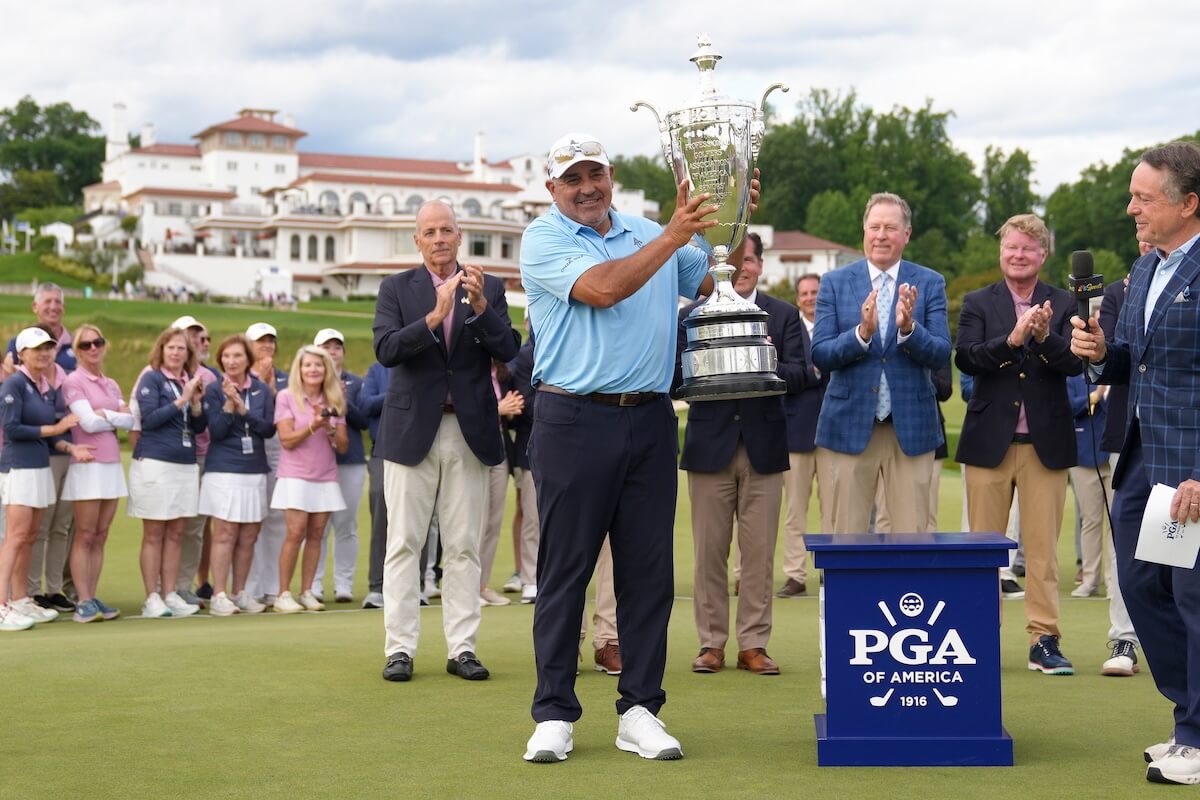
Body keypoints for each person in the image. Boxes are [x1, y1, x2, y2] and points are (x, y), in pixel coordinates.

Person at [518, 132, 753, 763]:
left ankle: (641, 709)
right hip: (571, 418)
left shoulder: (653, 230)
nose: (587, 186)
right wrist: (674, 238)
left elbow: (715, 282)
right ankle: (554, 712)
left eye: (595, 173)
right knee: (564, 572)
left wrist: (731, 215)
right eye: (573, 178)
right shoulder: (543, 240)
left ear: (611, 175)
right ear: (553, 189)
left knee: (648, 576)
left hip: (649, 420)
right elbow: (603, 289)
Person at [1070, 141, 1200, 784]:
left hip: (1191, 464)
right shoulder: (1145, 269)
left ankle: (1196, 737)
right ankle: (1190, 720)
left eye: (1144, 198)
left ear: (1189, 203)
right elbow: (1130, 361)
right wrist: (1097, 351)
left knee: (1192, 595)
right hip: (1142, 458)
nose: (1131, 209)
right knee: (1143, 588)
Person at [373, 200, 519, 683]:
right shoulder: (397, 288)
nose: (438, 238)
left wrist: (478, 309)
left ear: (461, 237)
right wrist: (433, 319)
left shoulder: (488, 288)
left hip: (470, 429)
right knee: (404, 544)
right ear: (417, 240)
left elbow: (510, 350)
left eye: (446, 230)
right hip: (412, 430)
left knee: (462, 546)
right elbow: (387, 349)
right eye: (429, 231)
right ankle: (399, 649)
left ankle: (462, 648)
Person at [676, 231, 807, 676]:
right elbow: (680, 375)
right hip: (709, 446)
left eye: (747, 259)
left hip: (764, 447)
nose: (741, 267)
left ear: (759, 265)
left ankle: (754, 643)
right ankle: (711, 643)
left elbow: (802, 374)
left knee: (758, 555)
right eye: (733, 259)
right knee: (709, 553)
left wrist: (762, 360)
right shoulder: (694, 314)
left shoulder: (783, 315)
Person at [956, 213, 1081, 675]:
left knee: (1043, 550)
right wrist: (1011, 341)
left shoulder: (1064, 302)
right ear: (1001, 252)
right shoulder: (977, 302)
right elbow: (966, 358)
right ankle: (976, 636)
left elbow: (1074, 365)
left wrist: (1045, 338)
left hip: (1045, 443)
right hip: (989, 442)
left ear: (1043, 254)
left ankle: (1043, 639)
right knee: (982, 550)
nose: (1018, 255)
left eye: (1028, 248)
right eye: (1011, 247)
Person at [811, 192, 951, 534]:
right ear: (864, 231)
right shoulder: (834, 283)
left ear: (907, 234)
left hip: (912, 427)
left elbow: (941, 352)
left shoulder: (930, 283)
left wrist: (909, 329)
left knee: (912, 536)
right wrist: (861, 333)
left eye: (890, 227)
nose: (881, 235)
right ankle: (847, 591)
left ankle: (910, 591)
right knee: (847, 535)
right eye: (874, 226)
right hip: (851, 425)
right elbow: (821, 354)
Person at [0, 327, 80, 630]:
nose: (44, 353)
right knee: (16, 537)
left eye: (48, 348)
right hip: (18, 468)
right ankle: (2, 604)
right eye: (36, 349)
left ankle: (20, 599)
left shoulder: (43, 385)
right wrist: (58, 429)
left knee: (30, 536)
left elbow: (46, 438)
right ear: (22, 354)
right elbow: (13, 429)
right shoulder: (14, 384)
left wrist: (70, 445)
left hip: (38, 467)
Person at [128, 327, 207, 619]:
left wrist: (196, 404)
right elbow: (150, 420)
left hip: (184, 464)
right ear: (161, 350)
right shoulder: (152, 378)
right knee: (155, 533)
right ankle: (152, 597)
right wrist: (182, 399)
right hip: (156, 463)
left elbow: (199, 428)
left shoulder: (185, 382)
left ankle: (169, 593)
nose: (175, 353)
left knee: (176, 532)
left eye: (181, 349)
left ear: (188, 354)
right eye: (171, 347)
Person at [199, 334, 275, 616]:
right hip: (223, 470)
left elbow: (267, 429)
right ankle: (219, 594)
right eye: (226, 357)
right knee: (225, 533)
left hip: (254, 468)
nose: (231, 361)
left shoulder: (261, 391)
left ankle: (239, 592)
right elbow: (216, 432)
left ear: (247, 360)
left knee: (248, 534)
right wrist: (230, 406)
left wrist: (243, 410)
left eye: (237, 356)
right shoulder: (214, 390)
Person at [60, 324, 132, 622]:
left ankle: (92, 593)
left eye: (97, 342)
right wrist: (113, 417)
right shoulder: (73, 381)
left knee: (101, 535)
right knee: (86, 534)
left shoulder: (111, 383)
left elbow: (131, 420)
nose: (93, 348)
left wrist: (110, 416)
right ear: (77, 350)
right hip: (88, 465)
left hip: (111, 464)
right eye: (86, 344)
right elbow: (87, 423)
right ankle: (83, 599)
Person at [270, 345, 348, 614]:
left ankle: (306, 592)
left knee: (316, 534)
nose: (313, 370)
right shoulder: (286, 397)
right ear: (299, 369)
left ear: (326, 369)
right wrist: (313, 425)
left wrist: (329, 428)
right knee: (295, 532)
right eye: (308, 365)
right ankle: (282, 594)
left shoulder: (334, 399)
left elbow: (344, 445)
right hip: (295, 475)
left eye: (318, 365)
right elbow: (287, 440)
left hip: (325, 475)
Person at [1094, 268, 1142, 677]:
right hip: (1126, 435)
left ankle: (1181, 637)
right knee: (1124, 539)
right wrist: (1094, 346)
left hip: (1183, 434)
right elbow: (1107, 362)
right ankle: (1124, 636)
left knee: (1182, 542)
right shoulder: (1116, 292)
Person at [778, 273, 830, 598]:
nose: (811, 298)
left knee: (833, 510)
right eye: (805, 293)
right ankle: (795, 575)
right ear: (798, 298)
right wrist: (812, 373)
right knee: (795, 510)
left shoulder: (838, 326)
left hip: (832, 432)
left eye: (816, 292)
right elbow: (782, 371)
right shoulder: (788, 327)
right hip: (796, 430)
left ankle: (829, 569)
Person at [313, 329, 367, 604]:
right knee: (317, 526)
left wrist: (343, 401)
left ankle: (344, 583)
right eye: (326, 347)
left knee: (346, 525)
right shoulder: (309, 384)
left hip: (350, 461)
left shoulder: (356, 383)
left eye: (337, 347)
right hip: (316, 463)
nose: (332, 351)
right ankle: (315, 583)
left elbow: (363, 421)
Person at [170, 315, 220, 608]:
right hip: (172, 457)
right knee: (170, 525)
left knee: (194, 527)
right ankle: (165, 587)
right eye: (191, 335)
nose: (197, 341)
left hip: (202, 455)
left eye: (200, 336)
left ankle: (184, 585)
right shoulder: (159, 373)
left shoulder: (210, 376)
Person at [244, 322, 289, 605]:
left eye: (271, 341)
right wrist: (262, 386)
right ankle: (251, 588)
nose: (267, 346)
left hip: (280, 452)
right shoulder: (241, 377)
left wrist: (271, 389)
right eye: (261, 341)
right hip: (250, 453)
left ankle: (272, 587)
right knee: (252, 521)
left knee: (276, 521)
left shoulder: (285, 378)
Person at [478, 359, 524, 607]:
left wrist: (513, 408)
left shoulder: (504, 374)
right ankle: (468, 588)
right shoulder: (472, 366)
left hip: (499, 449)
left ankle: (481, 585)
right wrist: (498, 408)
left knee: (494, 521)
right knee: (478, 520)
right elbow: (465, 407)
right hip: (475, 449)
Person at [1066, 369, 1109, 600]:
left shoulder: (1117, 374)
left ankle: (1115, 584)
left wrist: (1107, 394)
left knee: (1116, 523)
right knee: (1090, 521)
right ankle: (1090, 580)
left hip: (1113, 455)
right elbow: (1068, 406)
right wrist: (1096, 396)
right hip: (1082, 454)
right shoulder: (1073, 376)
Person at [359, 360, 390, 610]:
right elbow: (365, 404)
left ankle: (419, 584)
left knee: (418, 519)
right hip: (383, 449)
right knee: (380, 513)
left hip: (419, 449)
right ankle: (377, 587)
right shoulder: (376, 370)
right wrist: (397, 393)